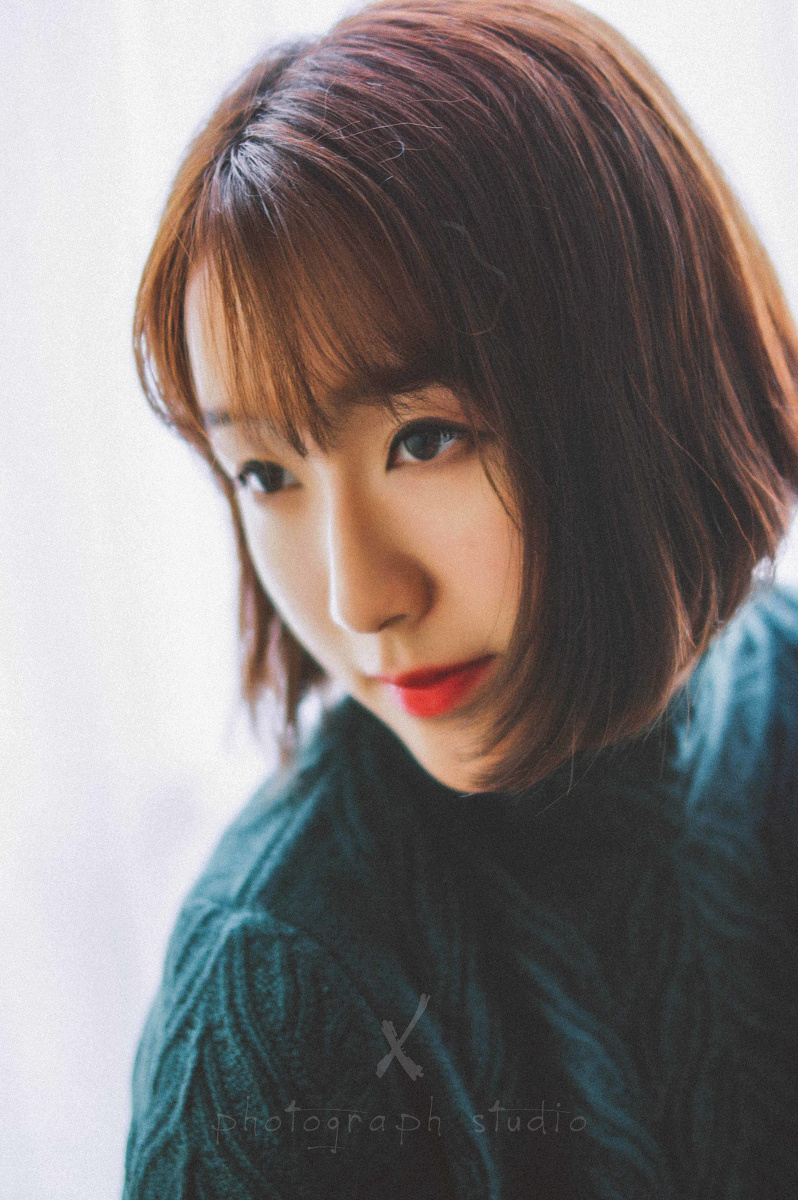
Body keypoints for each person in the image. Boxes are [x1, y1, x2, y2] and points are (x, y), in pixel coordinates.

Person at [122, 1, 798, 1196]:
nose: (357, 598)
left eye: (424, 439)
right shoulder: (275, 998)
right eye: (264, 474)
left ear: (649, 383)